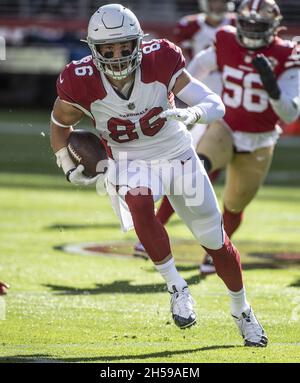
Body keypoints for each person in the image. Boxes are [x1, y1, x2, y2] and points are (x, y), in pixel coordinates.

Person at [50, 3, 268, 347]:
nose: (118, 56)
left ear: (139, 42)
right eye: (109, 49)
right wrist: (65, 160)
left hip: (178, 154)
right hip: (128, 158)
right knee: (138, 201)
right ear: (94, 50)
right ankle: (177, 288)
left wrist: (192, 112)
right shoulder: (80, 80)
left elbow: (215, 103)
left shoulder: (160, 58)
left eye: (125, 46)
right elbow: (61, 123)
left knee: (216, 242)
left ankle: (242, 311)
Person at [187, 0, 300, 274]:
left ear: (272, 27)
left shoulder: (287, 54)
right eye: (246, 23)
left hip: (259, 139)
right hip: (226, 125)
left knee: (234, 205)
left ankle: (217, 249)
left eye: (257, 25)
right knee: (195, 168)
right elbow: (195, 69)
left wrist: (273, 88)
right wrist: (189, 99)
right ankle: (159, 222)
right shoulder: (226, 40)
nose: (250, 31)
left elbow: (289, 114)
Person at [133, 0, 236, 260]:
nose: (217, 5)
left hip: (233, 108)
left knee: (220, 180)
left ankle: (215, 240)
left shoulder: (237, 27)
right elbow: (182, 66)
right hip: (197, 104)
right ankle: (159, 230)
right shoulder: (190, 26)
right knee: (191, 169)